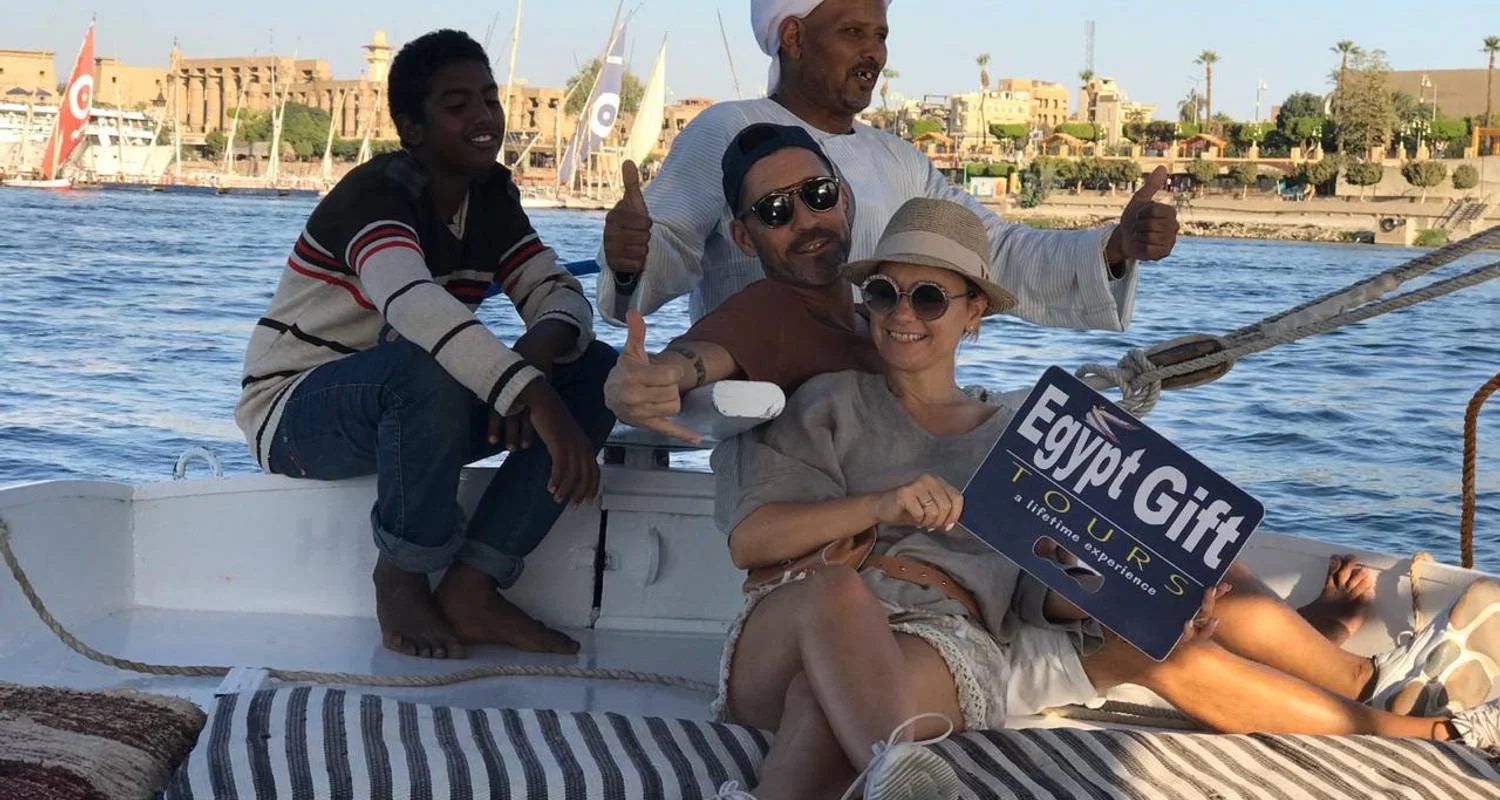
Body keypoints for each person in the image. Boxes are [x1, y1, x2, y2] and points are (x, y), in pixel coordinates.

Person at [708, 197, 1500, 800]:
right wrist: (880, 507)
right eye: (885, 294)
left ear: (974, 314)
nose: (902, 314)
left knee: (826, 702)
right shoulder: (829, 403)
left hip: (937, 634)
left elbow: (1041, 587)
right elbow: (754, 539)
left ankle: (869, 773)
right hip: (800, 619)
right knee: (837, 595)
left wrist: (1128, 601)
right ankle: (895, 769)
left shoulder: (1024, 434)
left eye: (929, 297)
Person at [607, 123, 1377, 643]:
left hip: (953, 500)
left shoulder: (865, 307)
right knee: (1139, 548)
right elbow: (698, 358)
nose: (806, 220)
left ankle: (1294, 635)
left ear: (843, 197)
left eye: (816, 196)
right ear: (743, 238)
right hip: (909, 546)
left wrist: (1114, 246)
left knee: (1149, 505)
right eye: (777, 211)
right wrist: (649, 380)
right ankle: (1316, 656)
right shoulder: (771, 310)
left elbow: (997, 259)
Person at [234, 30, 616, 660]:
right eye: (458, 106)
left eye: (489, 99)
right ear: (411, 129)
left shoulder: (489, 197)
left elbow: (557, 291)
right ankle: (402, 577)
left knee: (595, 370)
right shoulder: (375, 196)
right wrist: (532, 396)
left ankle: (473, 586)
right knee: (425, 367)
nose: (484, 117)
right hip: (295, 413)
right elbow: (413, 305)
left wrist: (540, 354)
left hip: (412, 405)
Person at [597, 0, 1179, 330]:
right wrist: (629, 262)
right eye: (853, 33)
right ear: (793, 37)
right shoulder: (727, 129)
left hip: (880, 409)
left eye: (880, 35)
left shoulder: (898, 158)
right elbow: (660, 251)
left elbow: (992, 251)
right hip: (765, 416)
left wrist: (1114, 248)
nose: (873, 53)